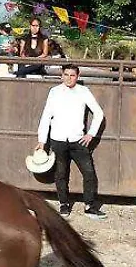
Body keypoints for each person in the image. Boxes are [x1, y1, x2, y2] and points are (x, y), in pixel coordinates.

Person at [36, 63, 106, 218]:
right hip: (58, 138)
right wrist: (42, 140)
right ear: (61, 75)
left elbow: (99, 113)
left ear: (77, 76)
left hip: (77, 139)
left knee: (89, 173)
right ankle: (64, 204)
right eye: (66, 74)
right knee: (60, 173)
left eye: (72, 75)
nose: (69, 78)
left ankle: (89, 205)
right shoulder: (54, 92)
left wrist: (91, 134)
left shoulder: (83, 91)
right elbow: (46, 116)